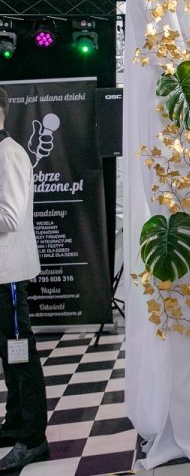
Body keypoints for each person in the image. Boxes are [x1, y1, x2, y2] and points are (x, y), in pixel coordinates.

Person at [0, 87, 50, 470]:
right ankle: (16, 422)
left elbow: (11, 218)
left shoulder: (9, 154)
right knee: (8, 353)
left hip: (10, 276)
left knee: (20, 354)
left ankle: (33, 439)